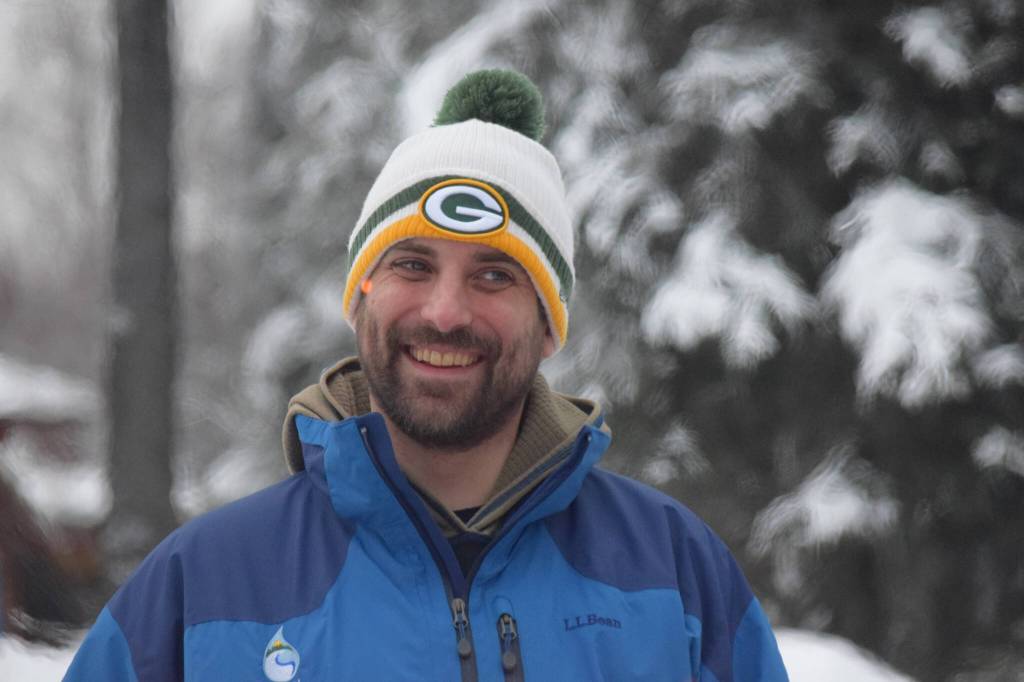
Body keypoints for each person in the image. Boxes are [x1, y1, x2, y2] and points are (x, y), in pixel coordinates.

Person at [65, 69, 789, 681]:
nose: (445, 313)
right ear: (359, 300)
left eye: (495, 275)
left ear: (548, 326)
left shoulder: (675, 575)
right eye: (412, 265)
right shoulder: (203, 587)